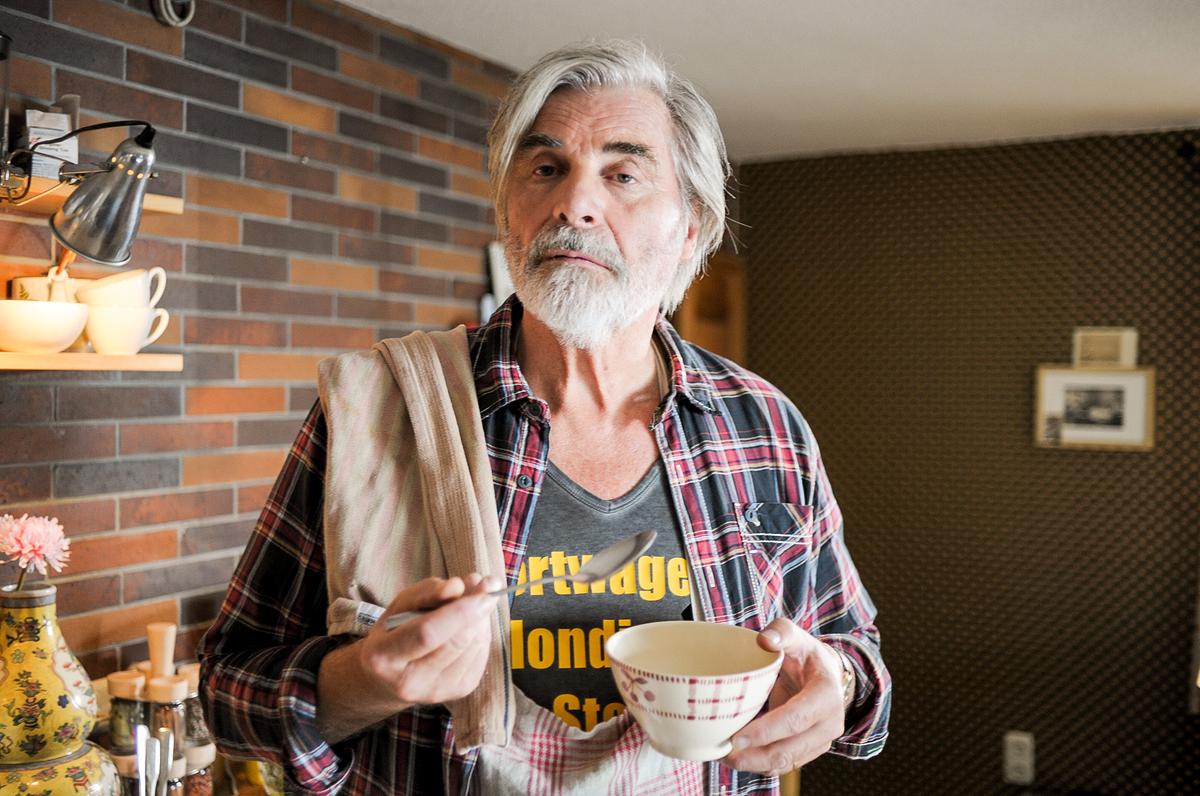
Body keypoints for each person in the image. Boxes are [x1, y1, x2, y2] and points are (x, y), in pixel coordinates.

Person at [199, 39, 890, 795]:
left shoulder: (764, 425)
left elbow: (850, 651)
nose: (574, 203)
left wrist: (838, 689)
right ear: (508, 212)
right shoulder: (380, 409)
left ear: (690, 228)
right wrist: (367, 679)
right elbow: (228, 690)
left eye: (623, 175)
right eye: (546, 168)